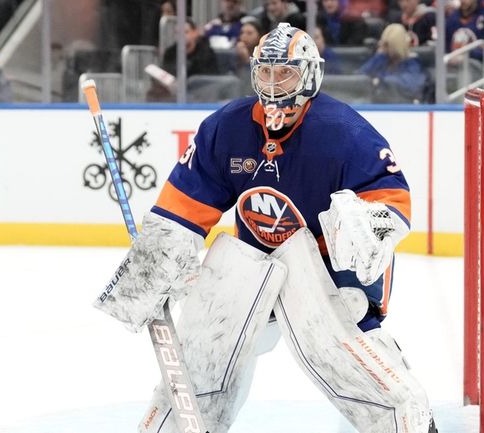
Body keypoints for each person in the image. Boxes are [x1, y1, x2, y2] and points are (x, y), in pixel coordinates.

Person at [96, 22, 438, 433]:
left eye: (286, 73)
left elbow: (391, 200)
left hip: (329, 271)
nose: (275, 85)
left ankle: (407, 421)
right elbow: (181, 208)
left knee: (349, 350)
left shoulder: (344, 133)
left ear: (310, 75)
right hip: (256, 263)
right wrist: (152, 268)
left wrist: (365, 229)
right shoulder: (227, 129)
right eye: (266, 72)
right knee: (204, 342)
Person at [357, 23, 430, 103]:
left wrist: (380, 81)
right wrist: (379, 56)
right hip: (379, 105)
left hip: (403, 107)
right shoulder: (382, 59)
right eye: (386, 44)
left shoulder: (412, 64)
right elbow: (359, 78)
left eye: (390, 44)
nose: (388, 48)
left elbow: (408, 87)